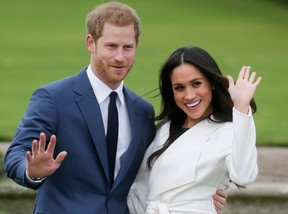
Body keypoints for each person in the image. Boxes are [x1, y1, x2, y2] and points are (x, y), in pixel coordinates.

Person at [4, 2, 227, 214]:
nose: (120, 57)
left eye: (127, 47)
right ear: (90, 43)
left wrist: (200, 192)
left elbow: (154, 171)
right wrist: (31, 171)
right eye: (111, 46)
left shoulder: (143, 112)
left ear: (136, 45)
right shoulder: (53, 98)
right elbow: (15, 155)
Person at [128, 46, 261, 214]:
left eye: (196, 84)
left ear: (211, 83)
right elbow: (143, 185)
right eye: (179, 88)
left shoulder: (228, 131)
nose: (189, 95)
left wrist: (242, 108)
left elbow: (244, 176)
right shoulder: (165, 128)